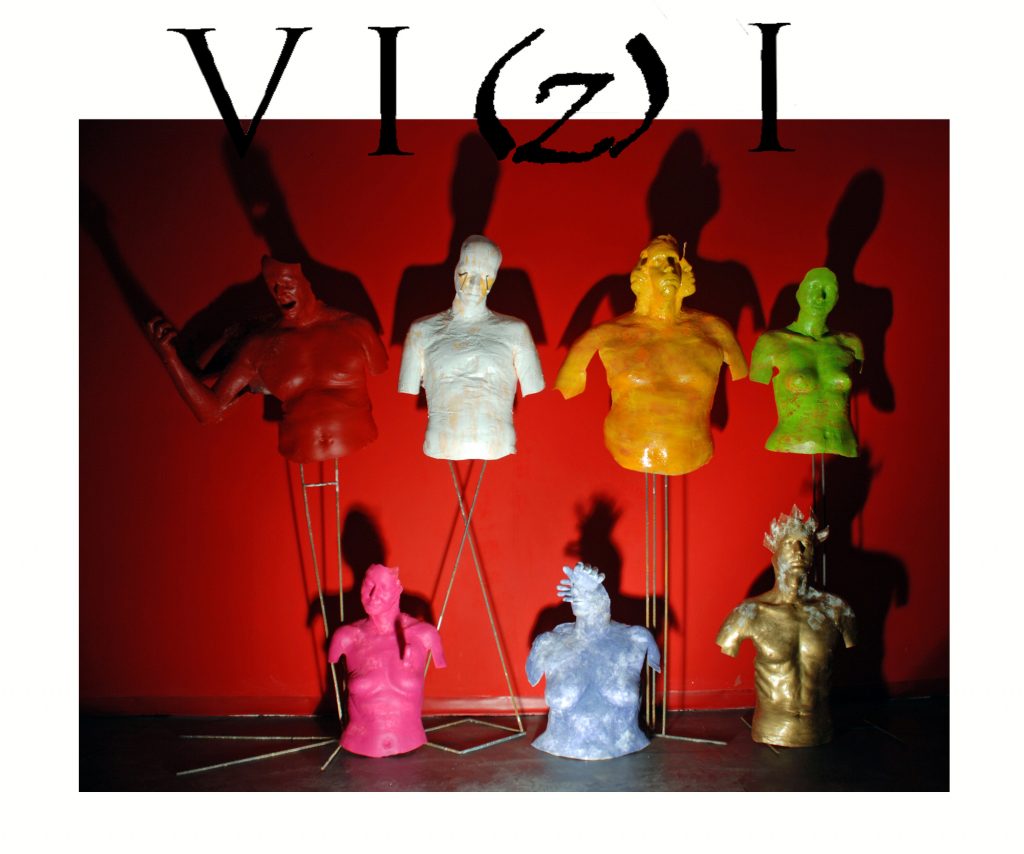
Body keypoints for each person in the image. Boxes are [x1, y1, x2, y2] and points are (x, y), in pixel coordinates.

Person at [147, 256, 388, 464]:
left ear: (307, 282)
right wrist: (169, 358)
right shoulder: (261, 345)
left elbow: (380, 367)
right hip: (298, 450)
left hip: (359, 443)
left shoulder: (354, 328)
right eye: (273, 287)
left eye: (287, 284)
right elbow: (210, 413)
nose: (280, 293)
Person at [555, 235, 747, 475]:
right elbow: (568, 386)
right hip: (628, 451)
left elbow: (742, 372)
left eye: (673, 260)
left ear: (684, 268)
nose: (669, 268)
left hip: (693, 453)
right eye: (659, 262)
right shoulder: (603, 336)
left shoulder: (715, 331)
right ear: (643, 272)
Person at [716, 506, 857, 747]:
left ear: (814, 552)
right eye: (789, 543)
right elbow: (726, 646)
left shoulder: (836, 610)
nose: (798, 551)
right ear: (775, 553)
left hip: (821, 730)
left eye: (805, 544)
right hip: (770, 729)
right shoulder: (749, 613)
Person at [397, 235, 544, 460]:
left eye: (486, 277)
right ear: (456, 271)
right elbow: (408, 385)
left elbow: (533, 384)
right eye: (467, 273)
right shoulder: (422, 331)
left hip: (497, 442)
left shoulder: (515, 331)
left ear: (493, 281)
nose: (475, 284)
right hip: (441, 441)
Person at [526, 563, 660, 760]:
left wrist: (591, 588)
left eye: (587, 591)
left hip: (627, 751)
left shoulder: (636, 639)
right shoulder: (549, 643)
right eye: (578, 590)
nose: (580, 594)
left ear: (603, 597)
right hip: (556, 752)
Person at [328, 564, 446, 757]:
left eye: (383, 587)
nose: (373, 595)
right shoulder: (347, 637)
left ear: (398, 590)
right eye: (368, 586)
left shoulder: (424, 635)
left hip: (411, 746)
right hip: (357, 746)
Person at [750, 267, 864, 457]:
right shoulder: (773, 343)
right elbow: (758, 377)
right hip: (792, 440)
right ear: (799, 294)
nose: (820, 297)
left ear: (836, 299)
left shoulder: (850, 344)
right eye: (813, 288)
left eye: (828, 290)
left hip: (842, 442)